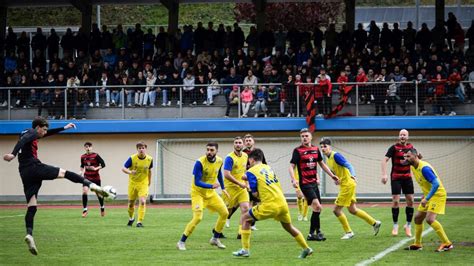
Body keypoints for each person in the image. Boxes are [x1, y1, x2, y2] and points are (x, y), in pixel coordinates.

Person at [3, 117, 109, 255]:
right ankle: (92, 185)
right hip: (34, 166)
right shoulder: (32, 132)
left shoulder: (26, 133)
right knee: (64, 173)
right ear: (38, 127)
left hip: (24, 172)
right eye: (44, 129)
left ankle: (29, 234)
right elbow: (23, 141)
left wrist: (64, 128)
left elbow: (28, 138)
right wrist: (12, 154)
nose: (45, 132)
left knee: (32, 205)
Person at [232, 149, 313, 259]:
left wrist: (250, 188)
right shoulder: (268, 167)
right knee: (289, 227)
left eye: (249, 160)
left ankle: (245, 250)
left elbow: (255, 193)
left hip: (270, 204)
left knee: (245, 218)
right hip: (282, 203)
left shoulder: (251, 171)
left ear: (252, 159)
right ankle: (306, 248)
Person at [319, 138, 381, 239]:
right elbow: (338, 172)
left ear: (330, 147)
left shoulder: (336, 156)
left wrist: (353, 175)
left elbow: (349, 165)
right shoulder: (328, 159)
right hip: (346, 185)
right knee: (352, 209)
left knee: (336, 210)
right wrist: (336, 179)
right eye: (321, 147)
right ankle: (374, 223)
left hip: (347, 185)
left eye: (325, 146)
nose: (323, 148)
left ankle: (349, 232)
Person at [289, 128, 339, 241]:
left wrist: (332, 175)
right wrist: (293, 179)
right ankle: (315, 232)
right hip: (305, 183)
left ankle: (315, 232)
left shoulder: (316, 149)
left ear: (311, 137)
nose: (304, 138)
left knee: (317, 209)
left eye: (306, 136)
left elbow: (322, 164)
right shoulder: (297, 151)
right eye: (302, 136)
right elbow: (291, 166)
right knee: (317, 206)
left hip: (314, 183)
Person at [177, 143, 230, 251]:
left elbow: (218, 173)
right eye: (207, 150)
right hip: (198, 194)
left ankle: (215, 238)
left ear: (216, 151)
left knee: (225, 213)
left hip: (210, 194)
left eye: (211, 150)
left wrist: (223, 188)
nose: (209, 152)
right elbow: (197, 182)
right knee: (198, 217)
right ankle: (181, 242)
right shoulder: (199, 163)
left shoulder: (219, 161)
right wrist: (211, 185)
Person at [403, 148, 453, 252]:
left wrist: (427, 198)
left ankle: (447, 243)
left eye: (408, 156)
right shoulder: (413, 166)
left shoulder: (425, 169)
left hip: (438, 195)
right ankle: (417, 244)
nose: (406, 158)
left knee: (430, 219)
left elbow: (436, 184)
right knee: (417, 218)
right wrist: (425, 195)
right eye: (405, 156)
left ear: (415, 156)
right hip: (428, 195)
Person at [381, 129, 415, 237]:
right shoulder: (394, 148)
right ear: (398, 136)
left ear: (407, 137)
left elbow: (416, 160)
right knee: (395, 201)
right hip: (396, 178)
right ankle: (395, 225)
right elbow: (384, 160)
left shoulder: (411, 148)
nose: (402, 136)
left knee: (410, 201)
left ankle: (408, 225)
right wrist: (384, 174)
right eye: (401, 135)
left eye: (404, 135)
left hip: (407, 178)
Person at [121, 141, 153, 228]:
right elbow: (123, 168)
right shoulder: (132, 158)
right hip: (133, 183)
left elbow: (149, 171)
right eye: (139, 148)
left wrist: (149, 181)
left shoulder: (150, 159)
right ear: (137, 149)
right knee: (131, 203)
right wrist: (130, 172)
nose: (141, 150)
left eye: (143, 148)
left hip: (143, 183)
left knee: (142, 201)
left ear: (145, 149)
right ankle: (131, 218)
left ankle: (139, 222)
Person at [223, 136, 249, 239]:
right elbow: (226, 174)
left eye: (239, 143)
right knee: (226, 212)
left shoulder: (245, 156)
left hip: (241, 188)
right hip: (230, 188)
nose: (238, 144)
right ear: (233, 145)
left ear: (243, 144)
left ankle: (240, 233)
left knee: (245, 208)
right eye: (236, 143)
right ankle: (217, 230)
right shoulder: (229, 158)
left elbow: (244, 171)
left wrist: (247, 181)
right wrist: (239, 183)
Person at [80, 142, 106, 217]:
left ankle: (102, 207)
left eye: (89, 147)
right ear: (84, 148)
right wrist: (81, 172)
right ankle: (85, 210)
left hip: (95, 177)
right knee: (84, 192)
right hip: (86, 177)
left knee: (99, 194)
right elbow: (82, 165)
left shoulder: (96, 155)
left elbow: (103, 164)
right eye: (86, 147)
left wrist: (96, 168)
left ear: (91, 147)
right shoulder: (82, 157)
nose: (87, 148)